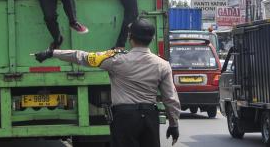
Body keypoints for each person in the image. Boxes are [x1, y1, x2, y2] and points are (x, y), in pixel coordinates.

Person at [33, 18, 181, 147]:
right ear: (153, 38)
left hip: (124, 118)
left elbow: (82, 57)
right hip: (149, 118)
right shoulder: (163, 65)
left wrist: (52, 52)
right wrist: (174, 124)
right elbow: (171, 98)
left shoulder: (115, 60)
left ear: (130, 37)